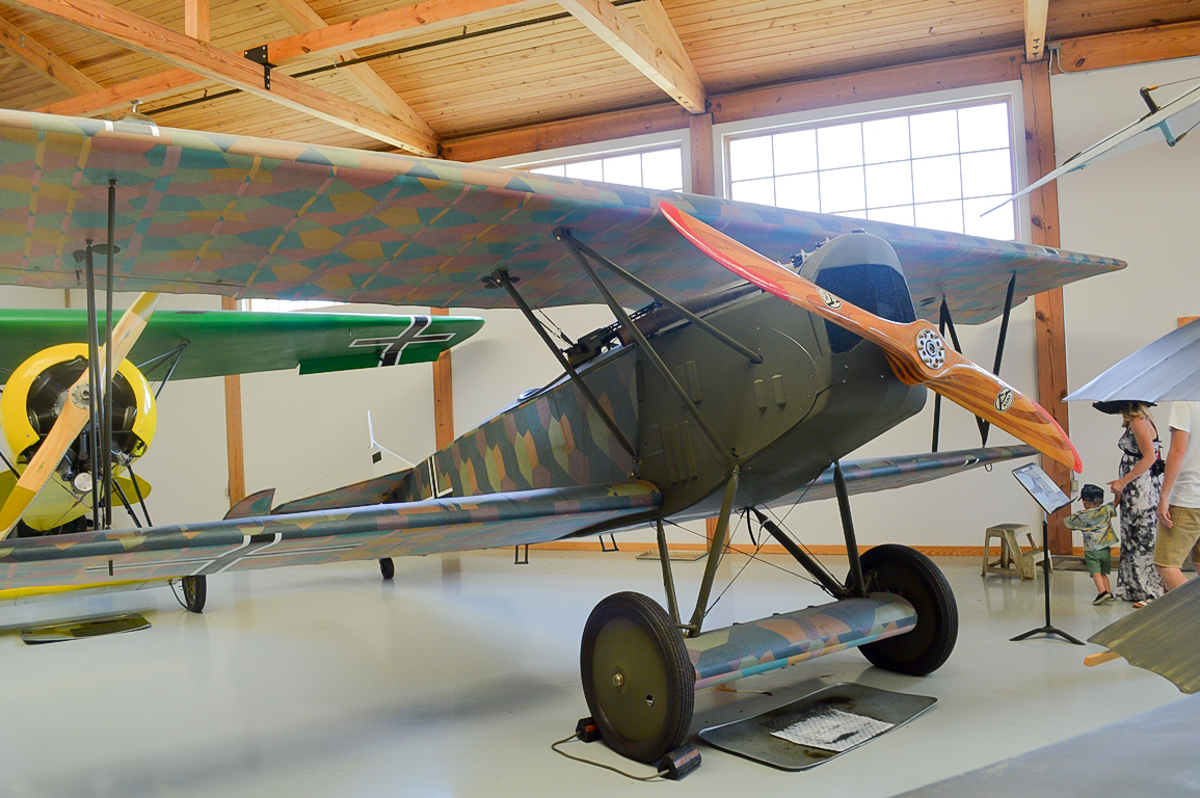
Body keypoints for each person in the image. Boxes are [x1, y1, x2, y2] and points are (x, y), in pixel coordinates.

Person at [1094, 400, 1164, 605]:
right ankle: (1135, 587)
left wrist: (1123, 481)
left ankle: (1151, 591)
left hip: (1140, 489)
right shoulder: (1141, 420)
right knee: (1133, 535)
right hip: (1136, 489)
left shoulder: (1139, 422)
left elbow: (1150, 457)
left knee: (1142, 537)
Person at [1154, 401, 1200, 593]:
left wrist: (1164, 496)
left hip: (1188, 495)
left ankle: (1193, 614)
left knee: (1166, 564)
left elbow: (1178, 451)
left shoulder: (1185, 400)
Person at [1063, 484, 1118, 605]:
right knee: (1103, 572)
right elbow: (1116, 502)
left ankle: (1102, 592)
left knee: (1096, 573)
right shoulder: (1106, 510)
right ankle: (1109, 593)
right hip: (1105, 548)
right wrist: (1117, 492)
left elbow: (1067, 523)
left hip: (1092, 549)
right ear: (1101, 500)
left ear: (1083, 501)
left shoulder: (1081, 516)